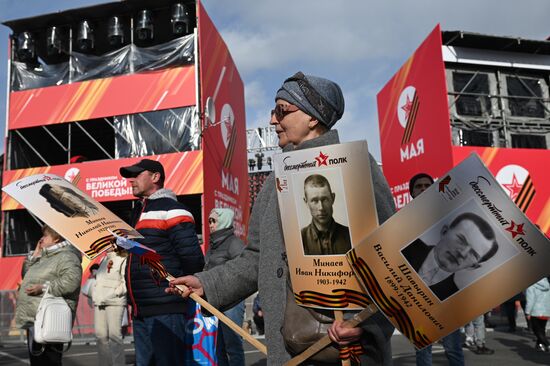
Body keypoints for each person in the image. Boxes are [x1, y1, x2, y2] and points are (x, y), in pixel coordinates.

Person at [167, 72, 396, 364]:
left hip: (348, 352)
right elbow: (256, 258)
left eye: (281, 111)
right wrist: (208, 284)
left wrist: (366, 325)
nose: (273, 121)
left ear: (313, 117)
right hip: (291, 350)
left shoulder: (354, 167)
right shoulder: (274, 180)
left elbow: (391, 258)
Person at [119, 158, 204, 366]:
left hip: (166, 306)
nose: (131, 180)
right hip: (140, 307)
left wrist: (180, 291)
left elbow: (192, 258)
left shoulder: (174, 209)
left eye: (137, 174)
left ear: (155, 177)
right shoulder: (137, 212)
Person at [408, 173, 465, 366]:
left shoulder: (448, 215)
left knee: (453, 348)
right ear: (412, 193)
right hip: (418, 293)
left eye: (427, 185)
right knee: (423, 350)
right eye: (419, 186)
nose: (423, 189)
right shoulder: (402, 221)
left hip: (448, 293)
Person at [15, 225, 82, 366]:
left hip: (51, 318)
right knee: (37, 361)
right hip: (35, 316)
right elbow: (26, 275)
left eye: (45, 236)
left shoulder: (67, 256)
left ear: (56, 238)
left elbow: (71, 282)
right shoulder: (46, 255)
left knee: (49, 360)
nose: (41, 239)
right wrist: (36, 254)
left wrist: (44, 288)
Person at [401, 212, 499, 301]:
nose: (462, 253)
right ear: (444, 232)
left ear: (473, 266)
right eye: (461, 240)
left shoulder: (453, 300)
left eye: (473, 254)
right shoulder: (403, 245)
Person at [204, 208, 246, 366]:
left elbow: (243, 270)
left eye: (214, 221)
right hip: (216, 301)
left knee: (233, 346)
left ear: (224, 221)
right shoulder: (213, 245)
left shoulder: (234, 243)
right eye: (209, 221)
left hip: (232, 303)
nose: (210, 224)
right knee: (218, 347)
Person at [92, 246, 128, 366]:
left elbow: (126, 281)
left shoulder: (123, 259)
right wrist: (96, 294)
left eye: (108, 243)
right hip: (100, 301)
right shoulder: (103, 259)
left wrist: (115, 293)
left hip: (115, 302)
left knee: (114, 337)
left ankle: (118, 364)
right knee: (100, 336)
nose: (105, 246)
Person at [301, 174, 352, 255]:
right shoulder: (300, 239)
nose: (321, 207)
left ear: (333, 198)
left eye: (325, 199)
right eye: (314, 200)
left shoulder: (350, 235)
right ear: (306, 202)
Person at [525, 277, 550, 352]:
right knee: (542, 329)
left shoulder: (531, 286)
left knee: (536, 330)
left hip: (535, 311)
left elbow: (530, 300)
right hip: (546, 311)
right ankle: (539, 345)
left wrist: (527, 312)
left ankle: (547, 344)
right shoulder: (547, 285)